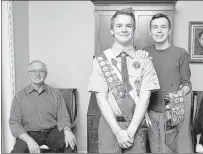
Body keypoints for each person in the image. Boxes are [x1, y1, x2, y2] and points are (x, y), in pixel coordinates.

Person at [88, 7, 160, 153]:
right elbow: (101, 98)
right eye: (119, 26)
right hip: (110, 125)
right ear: (112, 30)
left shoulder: (144, 59)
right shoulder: (100, 60)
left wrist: (131, 131)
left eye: (128, 26)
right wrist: (117, 132)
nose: (124, 29)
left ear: (134, 30)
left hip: (136, 125)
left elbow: (145, 99)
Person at [142, 13, 192, 153]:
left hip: (171, 112)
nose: (159, 31)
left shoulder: (181, 53)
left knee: (170, 149)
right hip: (149, 111)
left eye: (163, 27)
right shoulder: (145, 52)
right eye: (155, 27)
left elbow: (187, 83)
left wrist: (180, 93)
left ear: (169, 31)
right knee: (154, 149)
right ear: (150, 32)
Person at [9, 60, 77, 153]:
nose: (37, 74)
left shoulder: (56, 93)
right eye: (33, 71)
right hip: (29, 134)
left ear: (46, 74)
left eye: (41, 71)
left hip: (52, 132)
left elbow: (63, 116)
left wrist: (67, 131)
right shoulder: (19, 96)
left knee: (70, 145)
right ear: (28, 74)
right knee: (17, 151)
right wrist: (29, 140)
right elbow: (14, 122)